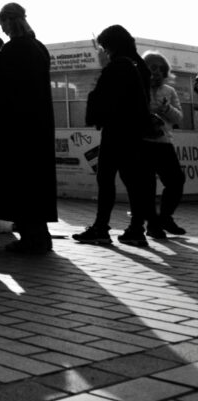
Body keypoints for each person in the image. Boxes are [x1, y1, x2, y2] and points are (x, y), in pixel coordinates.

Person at [73, 26, 161, 246]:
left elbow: (104, 97)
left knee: (106, 178)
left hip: (117, 130)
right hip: (134, 131)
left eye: (104, 46)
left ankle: (101, 227)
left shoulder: (118, 65)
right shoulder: (138, 64)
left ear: (112, 45)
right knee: (134, 181)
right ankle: (136, 229)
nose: (103, 50)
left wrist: (105, 68)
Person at [0, 3, 57, 253]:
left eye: (2, 24)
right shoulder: (38, 48)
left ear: (7, 21)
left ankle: (30, 238)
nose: (2, 30)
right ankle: (41, 235)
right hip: (39, 125)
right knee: (36, 181)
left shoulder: (11, 50)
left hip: (16, 127)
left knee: (20, 182)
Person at [142, 51, 186, 235]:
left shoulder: (169, 91)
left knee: (176, 180)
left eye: (161, 68)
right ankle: (152, 225)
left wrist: (166, 108)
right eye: (153, 67)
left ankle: (165, 217)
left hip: (163, 143)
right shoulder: (138, 88)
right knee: (146, 185)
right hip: (142, 143)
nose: (158, 72)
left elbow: (179, 118)